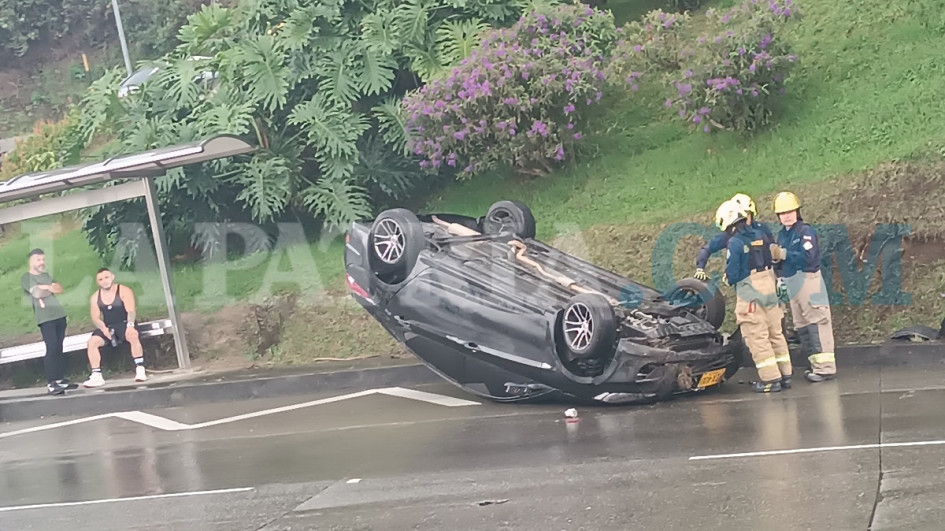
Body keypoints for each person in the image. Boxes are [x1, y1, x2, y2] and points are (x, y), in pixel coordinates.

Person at [718, 199, 792, 392]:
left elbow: (733, 273)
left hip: (750, 290)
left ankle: (770, 379)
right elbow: (771, 257)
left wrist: (728, 278)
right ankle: (785, 375)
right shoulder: (761, 235)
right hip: (769, 284)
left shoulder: (735, 242)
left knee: (757, 336)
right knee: (775, 333)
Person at [771, 191, 837, 382]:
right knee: (803, 326)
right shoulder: (783, 235)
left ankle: (825, 368)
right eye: (783, 213)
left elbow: (809, 257)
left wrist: (784, 254)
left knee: (817, 322)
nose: (787, 216)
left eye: (790, 211)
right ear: (778, 216)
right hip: (792, 282)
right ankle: (815, 364)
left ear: (797, 211)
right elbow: (778, 261)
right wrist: (779, 277)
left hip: (809, 280)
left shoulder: (805, 231)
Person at [21, 248, 77, 395]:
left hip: (59, 315)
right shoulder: (26, 277)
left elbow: (59, 288)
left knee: (59, 347)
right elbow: (36, 293)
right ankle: (51, 383)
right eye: (38, 260)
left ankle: (60, 379)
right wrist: (48, 287)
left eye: (43, 259)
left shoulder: (46, 275)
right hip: (45, 318)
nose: (42, 262)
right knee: (51, 347)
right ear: (31, 261)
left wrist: (45, 287)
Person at [82, 268, 148, 387]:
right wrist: (104, 329)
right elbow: (96, 318)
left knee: (133, 335)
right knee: (92, 342)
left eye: (106, 277)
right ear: (97, 282)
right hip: (108, 326)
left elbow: (131, 311)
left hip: (124, 322)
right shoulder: (95, 297)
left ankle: (140, 368)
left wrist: (130, 325)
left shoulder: (123, 290)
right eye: (100, 279)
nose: (104, 281)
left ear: (112, 277)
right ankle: (96, 375)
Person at [694, 193, 774, 281]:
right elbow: (707, 249)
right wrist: (700, 269)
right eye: (744, 214)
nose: (746, 218)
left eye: (748, 214)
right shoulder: (729, 234)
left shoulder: (762, 230)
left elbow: (772, 253)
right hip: (744, 282)